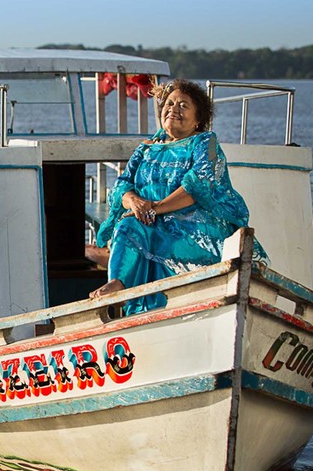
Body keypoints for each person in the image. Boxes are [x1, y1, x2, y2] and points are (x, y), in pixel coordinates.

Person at [88, 79, 267, 314]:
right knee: (128, 224)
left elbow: (198, 185)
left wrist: (154, 208)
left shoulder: (203, 142)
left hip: (193, 228)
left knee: (141, 227)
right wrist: (133, 200)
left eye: (183, 105)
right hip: (148, 223)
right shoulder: (146, 148)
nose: (174, 109)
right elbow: (122, 185)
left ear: (198, 120)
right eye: (169, 104)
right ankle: (120, 287)